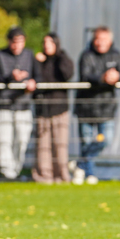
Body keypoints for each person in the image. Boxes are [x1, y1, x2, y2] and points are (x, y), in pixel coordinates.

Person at [74, 27, 120, 185]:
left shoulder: (116, 55)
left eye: (104, 39)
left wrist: (117, 76)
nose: (100, 42)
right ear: (93, 40)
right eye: (98, 39)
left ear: (110, 41)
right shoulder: (86, 55)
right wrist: (102, 78)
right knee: (87, 142)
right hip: (86, 107)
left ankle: (79, 164)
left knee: (105, 140)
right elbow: (85, 75)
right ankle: (89, 174)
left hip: (106, 108)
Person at [0, 26, 36, 180]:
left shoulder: (29, 55)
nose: (17, 45)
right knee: (4, 141)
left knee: (22, 140)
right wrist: (11, 77)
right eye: (14, 42)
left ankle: (16, 171)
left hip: (23, 106)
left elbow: (38, 76)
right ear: (9, 41)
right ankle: (6, 173)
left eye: (20, 42)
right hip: (4, 105)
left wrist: (32, 83)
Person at [32, 32, 74, 184]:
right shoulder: (38, 61)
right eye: (44, 43)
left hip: (59, 108)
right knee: (43, 146)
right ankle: (44, 176)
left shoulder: (62, 58)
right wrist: (38, 62)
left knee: (60, 145)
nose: (46, 46)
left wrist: (57, 57)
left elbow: (67, 74)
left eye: (50, 43)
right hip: (43, 109)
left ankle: (61, 175)